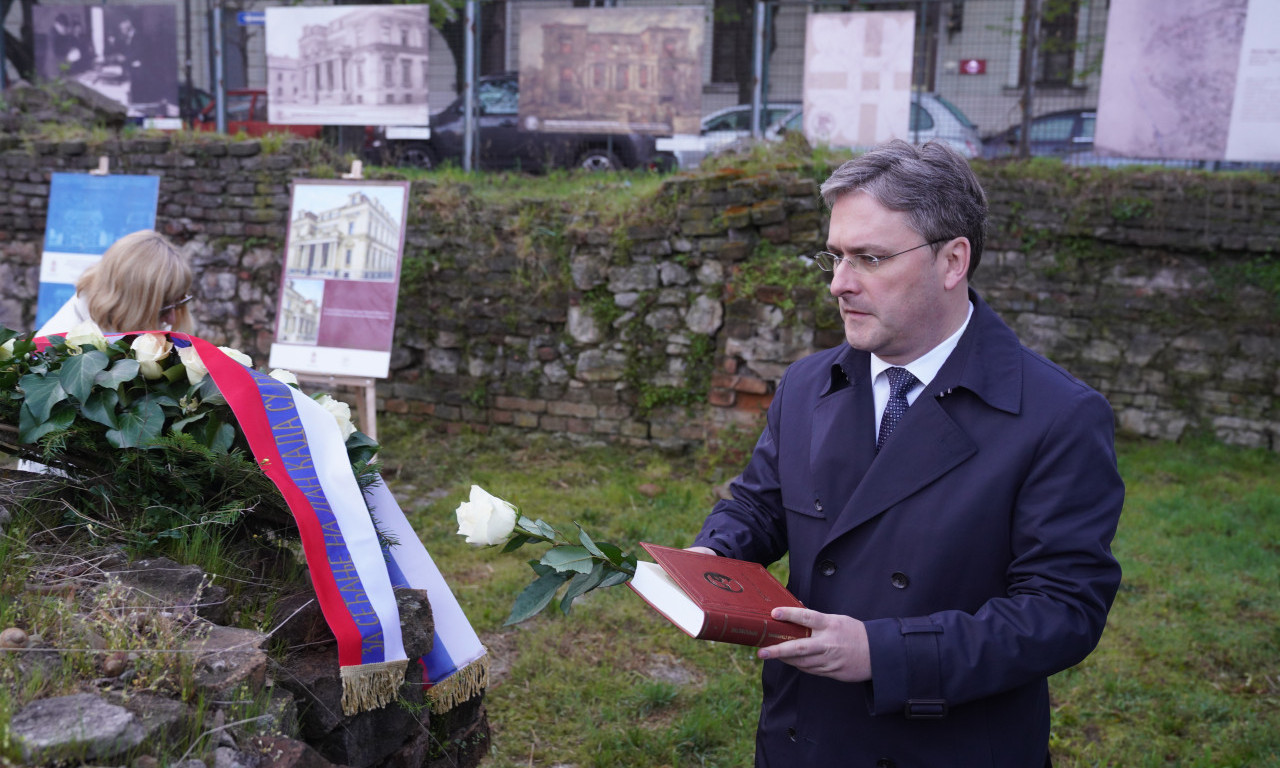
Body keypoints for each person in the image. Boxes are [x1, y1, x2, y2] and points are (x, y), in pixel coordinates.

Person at [688, 139, 1124, 767]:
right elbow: (762, 505)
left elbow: (1063, 610)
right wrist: (711, 557)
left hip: (947, 741)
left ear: (953, 261)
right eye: (834, 256)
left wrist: (883, 653)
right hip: (803, 733)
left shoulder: (1058, 416)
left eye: (870, 257)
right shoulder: (808, 383)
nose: (840, 283)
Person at [37, 229, 195, 337]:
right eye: (164, 308)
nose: (172, 319)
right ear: (129, 302)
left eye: (179, 302)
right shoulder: (57, 352)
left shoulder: (131, 321)